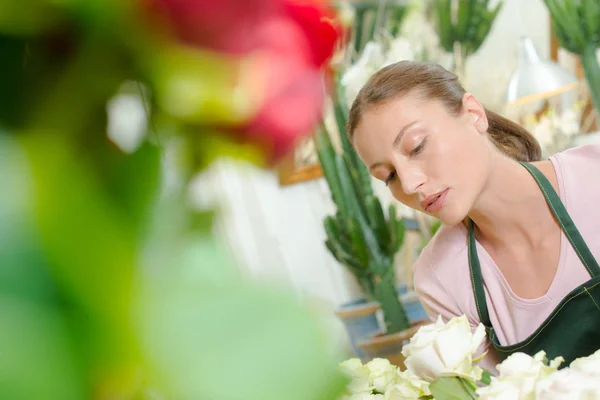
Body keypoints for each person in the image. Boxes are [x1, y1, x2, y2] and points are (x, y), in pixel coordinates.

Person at [347, 60, 600, 371]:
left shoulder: (594, 178)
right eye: (389, 177)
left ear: (474, 114)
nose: (411, 183)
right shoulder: (441, 278)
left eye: (417, 146)